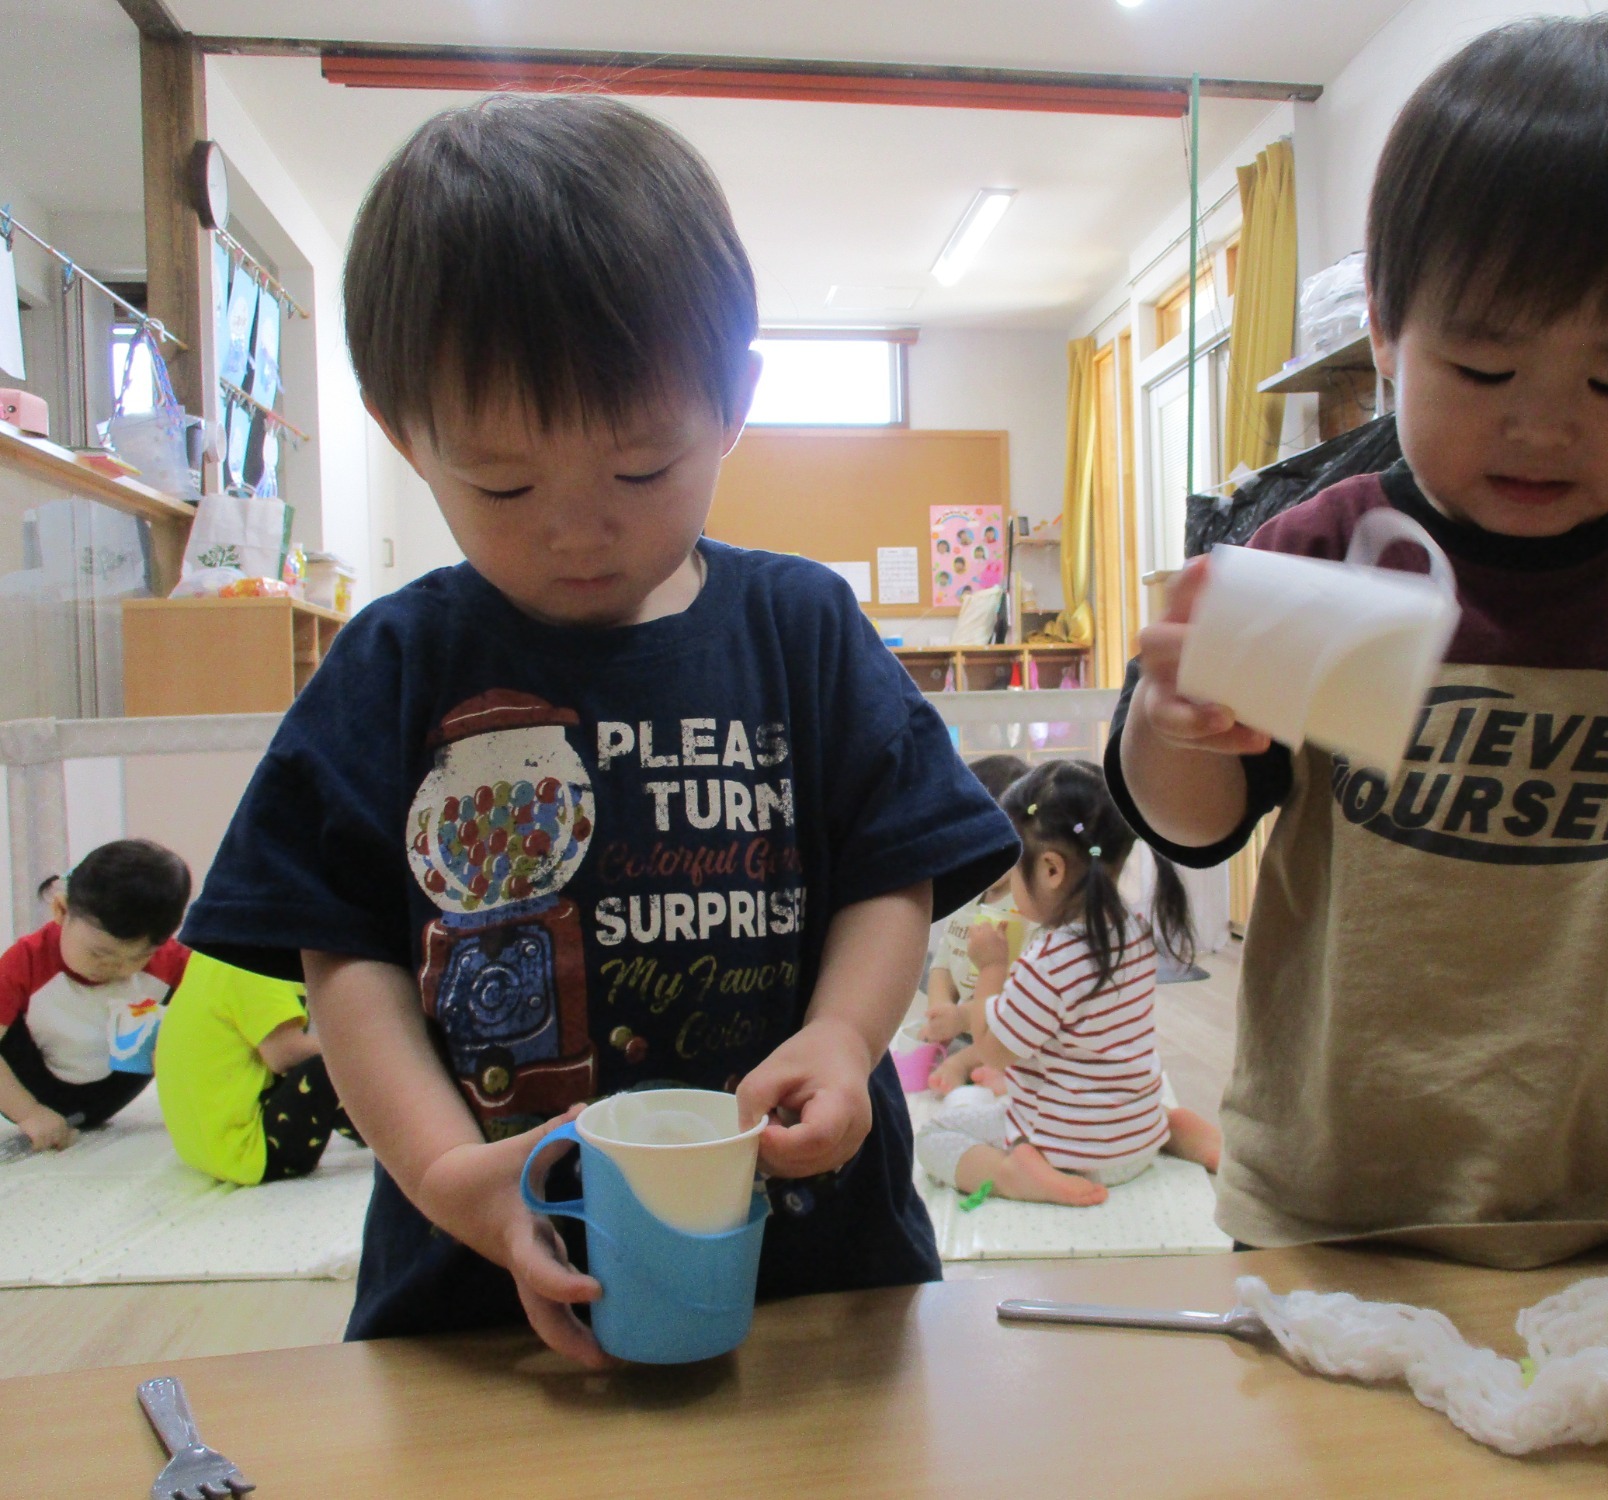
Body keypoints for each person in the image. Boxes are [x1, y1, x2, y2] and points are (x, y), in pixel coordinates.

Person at [177, 95, 1017, 1366]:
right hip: (486, 1280)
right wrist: (448, 1172)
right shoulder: (396, 665)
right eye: (504, 484)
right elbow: (344, 959)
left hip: (812, 1267)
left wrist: (843, 1037)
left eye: (639, 472)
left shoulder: (800, 626)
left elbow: (890, 869)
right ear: (409, 436)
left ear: (732, 402)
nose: (576, 529)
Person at [1109, 17, 1608, 1268]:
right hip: (1340, 1197)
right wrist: (1172, 723)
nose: (1541, 428)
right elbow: (1195, 822)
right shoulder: (1326, 556)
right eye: (1478, 366)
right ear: (1384, 329)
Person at [920, 761, 1222, 1206]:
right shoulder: (1136, 934)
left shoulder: (1048, 961)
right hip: (1136, 1141)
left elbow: (992, 1050)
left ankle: (1013, 1173)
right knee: (1117, 1094)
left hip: (1072, 1153)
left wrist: (991, 968)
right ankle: (1174, 1129)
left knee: (934, 1136)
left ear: (1051, 870)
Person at [0, 840, 191, 1151]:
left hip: (115, 1086)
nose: (119, 968)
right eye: (99, 954)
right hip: (35, 1087)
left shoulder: (173, 962)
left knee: (205, 1005)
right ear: (61, 910)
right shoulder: (27, 960)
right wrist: (29, 1113)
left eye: (139, 956)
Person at [155, 951, 356, 1185]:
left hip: (206, 1150)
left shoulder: (212, 959)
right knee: (330, 1064)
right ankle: (388, 1134)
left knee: (326, 1060)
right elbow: (284, 1053)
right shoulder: (255, 966)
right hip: (255, 1153)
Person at [923, 754, 1031, 1046]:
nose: (979, 856)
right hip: (963, 1033)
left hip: (1008, 1044)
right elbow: (943, 963)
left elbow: (1025, 1002)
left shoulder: (1030, 907)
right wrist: (940, 1008)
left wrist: (961, 1018)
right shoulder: (970, 894)